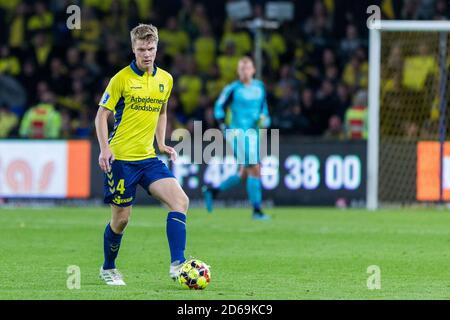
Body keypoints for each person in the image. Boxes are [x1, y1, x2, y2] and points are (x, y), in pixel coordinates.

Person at [95, 24, 189, 286]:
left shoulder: (165, 80)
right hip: (121, 160)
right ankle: (108, 267)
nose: (146, 54)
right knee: (121, 220)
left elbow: (162, 111)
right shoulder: (121, 79)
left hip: (148, 158)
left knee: (180, 201)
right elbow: (101, 115)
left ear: (157, 48)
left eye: (150, 49)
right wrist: (105, 148)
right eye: (141, 49)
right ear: (133, 49)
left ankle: (177, 265)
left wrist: (161, 143)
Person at [202, 57, 271, 220]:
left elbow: (264, 110)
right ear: (238, 72)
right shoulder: (233, 89)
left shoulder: (260, 88)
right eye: (241, 69)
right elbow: (219, 107)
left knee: (244, 173)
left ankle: (212, 191)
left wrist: (266, 120)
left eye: (247, 68)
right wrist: (222, 125)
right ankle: (257, 211)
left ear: (253, 70)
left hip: (253, 133)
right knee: (254, 167)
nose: (244, 71)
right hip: (236, 132)